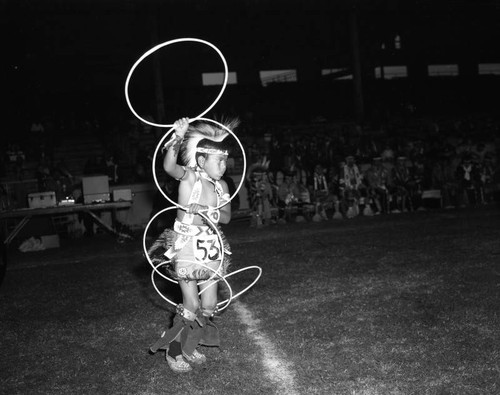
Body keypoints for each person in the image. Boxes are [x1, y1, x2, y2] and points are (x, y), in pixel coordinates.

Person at [148, 117, 235, 373]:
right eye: (218, 161)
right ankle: (174, 352)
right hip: (186, 244)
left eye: (225, 161)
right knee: (192, 305)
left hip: (211, 245)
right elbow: (168, 166)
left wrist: (207, 211)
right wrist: (178, 137)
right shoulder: (189, 178)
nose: (223, 165)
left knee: (208, 306)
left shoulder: (223, 186)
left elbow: (227, 216)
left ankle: (189, 345)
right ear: (201, 161)